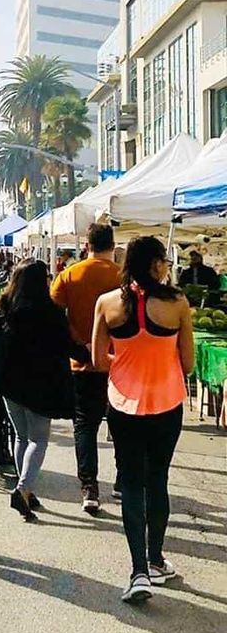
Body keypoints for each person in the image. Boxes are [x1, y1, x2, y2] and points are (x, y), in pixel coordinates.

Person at [91, 236, 194, 605]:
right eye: (164, 260)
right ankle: (155, 560)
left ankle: (138, 572)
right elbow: (188, 363)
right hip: (166, 403)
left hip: (122, 404)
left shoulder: (106, 304)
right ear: (154, 264)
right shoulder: (177, 303)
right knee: (158, 479)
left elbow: (99, 359)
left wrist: (127, 361)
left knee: (131, 484)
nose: (166, 266)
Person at [0, 261, 74, 522]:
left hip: (8, 383)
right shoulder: (51, 312)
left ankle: (27, 489)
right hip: (41, 384)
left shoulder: (4, 306)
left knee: (22, 437)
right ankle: (23, 489)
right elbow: (67, 345)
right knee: (38, 440)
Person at [51, 222, 123, 515]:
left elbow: (53, 314)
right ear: (112, 245)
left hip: (81, 362)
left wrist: (74, 340)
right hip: (119, 361)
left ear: (87, 245)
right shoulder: (123, 276)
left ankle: (89, 487)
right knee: (121, 423)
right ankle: (122, 480)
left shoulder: (69, 275)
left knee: (85, 425)